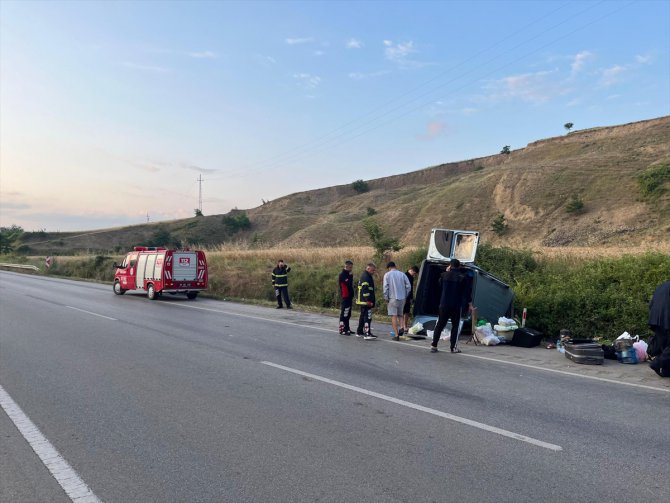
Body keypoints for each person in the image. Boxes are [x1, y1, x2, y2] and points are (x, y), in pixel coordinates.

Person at [430, 258, 474, 353]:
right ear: (459, 266)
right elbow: (467, 293)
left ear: (450, 266)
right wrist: (470, 305)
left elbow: (439, 286)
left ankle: (434, 345)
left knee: (440, 325)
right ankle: (453, 347)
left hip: (444, 304)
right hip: (456, 305)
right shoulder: (462, 277)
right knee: (455, 326)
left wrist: (446, 272)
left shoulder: (443, 275)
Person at [383, 261, 412, 340]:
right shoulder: (402, 274)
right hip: (402, 298)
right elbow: (409, 286)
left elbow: (385, 287)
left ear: (389, 268)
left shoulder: (387, 275)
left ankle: (396, 335)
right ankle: (402, 327)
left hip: (392, 298)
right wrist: (405, 294)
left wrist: (386, 297)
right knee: (400, 314)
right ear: (395, 266)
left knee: (394, 316)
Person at [648, 279, 670, 357]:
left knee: (662, 343)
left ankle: (656, 359)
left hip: (655, 318)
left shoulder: (660, 287)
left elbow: (651, 304)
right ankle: (658, 361)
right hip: (666, 319)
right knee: (666, 345)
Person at [355, 262, 377, 340]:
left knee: (362, 316)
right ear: (368, 268)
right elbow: (365, 289)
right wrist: (368, 300)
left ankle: (359, 332)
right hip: (365, 301)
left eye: (374, 270)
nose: (374, 272)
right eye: (372, 270)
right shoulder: (366, 276)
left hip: (363, 300)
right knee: (367, 317)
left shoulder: (366, 275)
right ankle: (367, 334)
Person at [402, 265, 420, 335]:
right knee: (404, 312)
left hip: (408, 297)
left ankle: (405, 326)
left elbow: (411, 288)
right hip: (403, 296)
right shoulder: (404, 276)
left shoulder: (411, 277)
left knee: (406, 312)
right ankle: (403, 326)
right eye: (414, 273)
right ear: (411, 270)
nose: (414, 275)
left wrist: (411, 298)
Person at [338, 260, 354, 335]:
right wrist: (350, 276)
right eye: (350, 267)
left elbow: (350, 284)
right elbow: (348, 283)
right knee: (344, 313)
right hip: (345, 296)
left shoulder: (348, 274)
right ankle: (342, 329)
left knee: (348, 314)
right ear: (346, 266)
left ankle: (347, 328)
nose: (351, 269)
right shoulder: (342, 274)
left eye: (351, 267)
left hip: (349, 296)